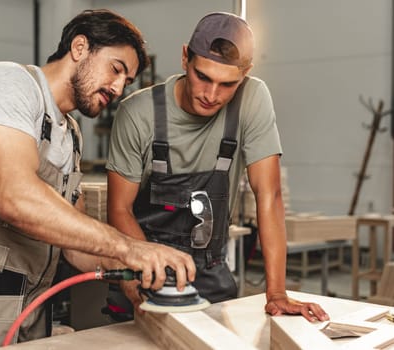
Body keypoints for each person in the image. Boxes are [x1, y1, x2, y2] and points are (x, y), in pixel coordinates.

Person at [0, 9, 196, 350]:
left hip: (29, 310)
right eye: (116, 69)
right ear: (79, 47)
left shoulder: (70, 135)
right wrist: (130, 247)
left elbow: (72, 245)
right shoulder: (5, 84)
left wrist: (137, 273)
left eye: (127, 82)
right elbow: (14, 198)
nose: (118, 88)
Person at [105, 12, 329, 322]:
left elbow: (269, 195)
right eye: (203, 77)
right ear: (185, 58)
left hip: (210, 273)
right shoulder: (138, 114)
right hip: (144, 267)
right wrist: (145, 267)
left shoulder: (252, 98)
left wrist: (276, 293)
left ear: (245, 74)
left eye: (227, 84)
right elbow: (119, 209)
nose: (211, 95)